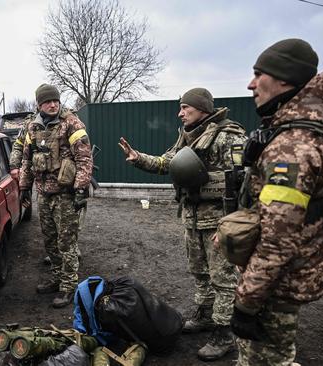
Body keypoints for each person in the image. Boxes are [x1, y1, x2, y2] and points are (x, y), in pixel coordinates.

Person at [229, 39, 323, 365]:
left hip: (275, 285)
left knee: (264, 359)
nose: (250, 84)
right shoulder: (321, 130)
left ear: (284, 79)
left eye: (258, 74)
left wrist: (246, 302)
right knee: (279, 353)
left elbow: (277, 241)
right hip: (296, 270)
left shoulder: (293, 146)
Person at [119, 87, 247, 361]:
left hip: (219, 221)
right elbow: (167, 162)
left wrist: (231, 224)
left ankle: (224, 333)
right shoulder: (188, 136)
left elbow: (243, 182)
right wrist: (138, 158)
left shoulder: (229, 137)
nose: (180, 113)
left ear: (202, 108)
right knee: (199, 272)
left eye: (185, 108)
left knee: (223, 279)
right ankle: (204, 315)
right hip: (192, 217)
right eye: (181, 108)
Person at [18, 83, 93, 308]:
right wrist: (24, 187)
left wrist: (80, 188)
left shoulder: (71, 123)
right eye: (47, 102)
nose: (52, 105)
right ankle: (57, 276)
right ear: (39, 104)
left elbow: (84, 159)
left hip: (65, 195)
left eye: (55, 101)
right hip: (44, 193)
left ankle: (69, 286)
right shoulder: (33, 127)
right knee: (49, 239)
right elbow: (26, 159)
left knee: (66, 242)